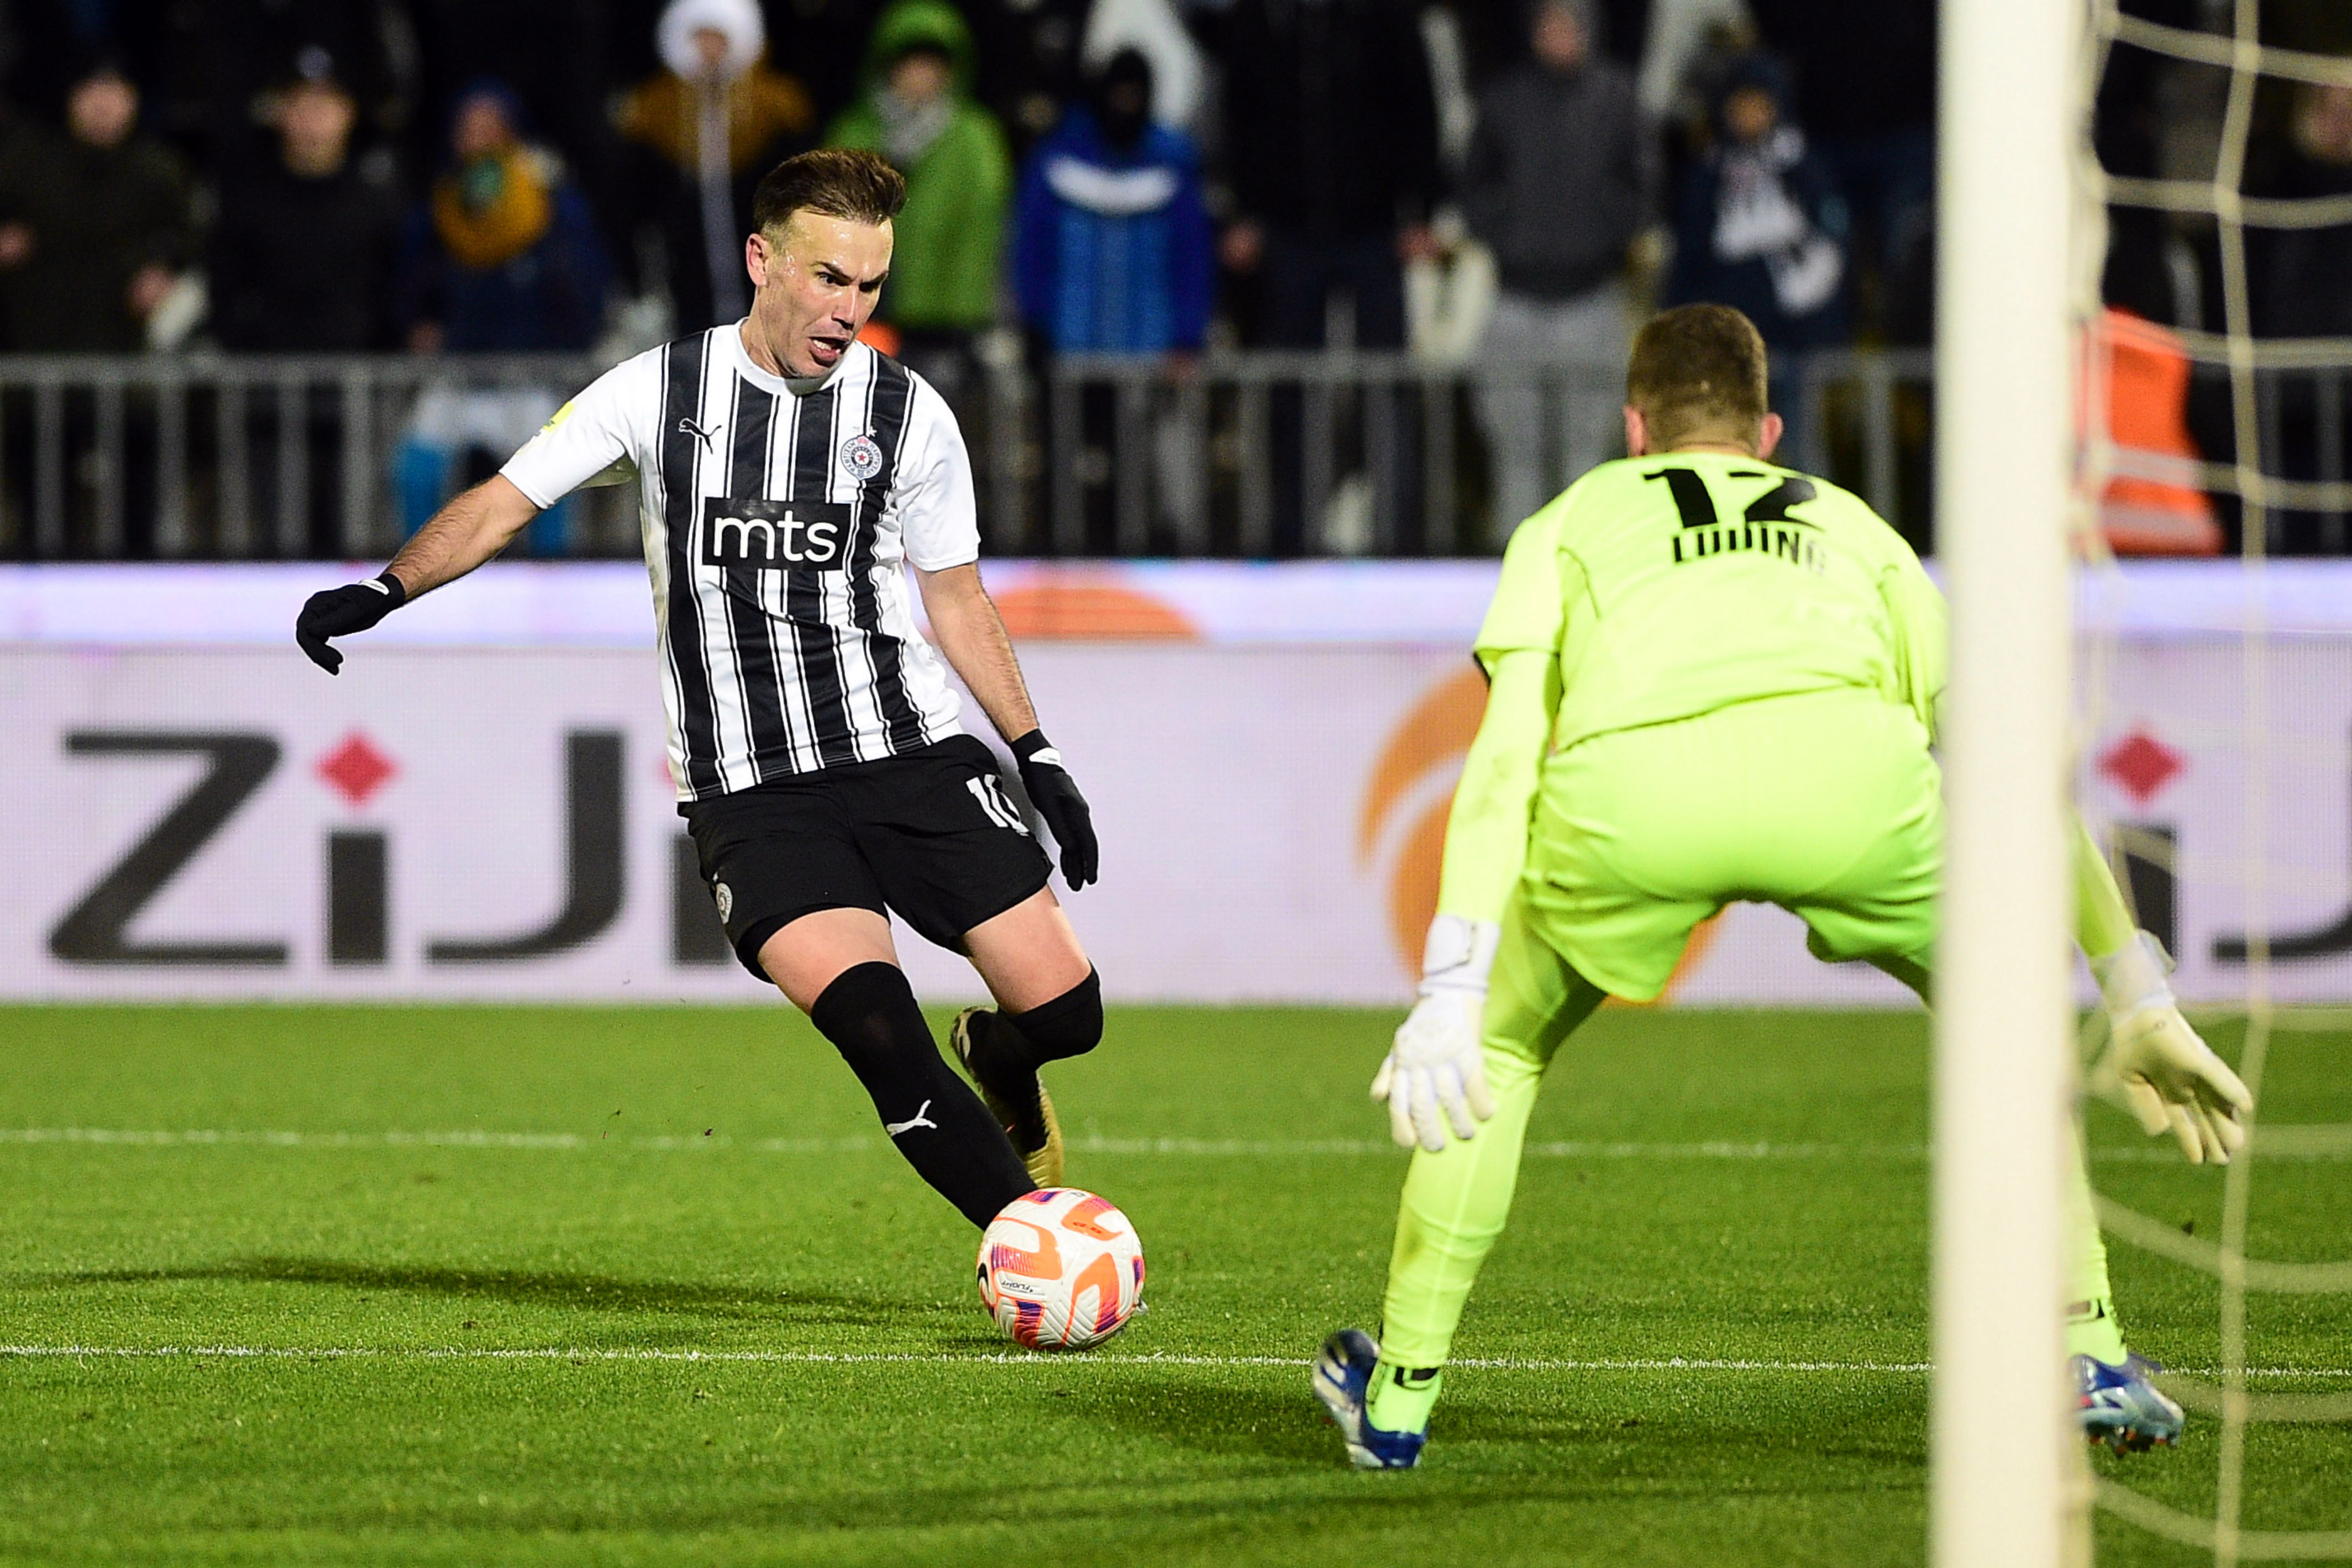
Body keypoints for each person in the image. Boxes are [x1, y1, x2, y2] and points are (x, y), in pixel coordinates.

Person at [1311, 303, 2255, 1470]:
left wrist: (1450, 982)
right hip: (1852, 795)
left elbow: (1505, 760)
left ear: (1633, 428)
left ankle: (1397, 1402)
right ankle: (2087, 1350)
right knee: (2008, 1031)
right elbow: (2009, 758)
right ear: (1766, 430)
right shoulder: (1856, 529)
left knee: (1497, 1057)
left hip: (1635, 806)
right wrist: (2135, 993)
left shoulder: (1572, 519)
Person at [296, 149, 1105, 1229]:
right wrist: (388, 587)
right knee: (878, 1035)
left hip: (909, 755)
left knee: (1068, 1011)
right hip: (753, 795)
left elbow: (954, 598)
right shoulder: (657, 391)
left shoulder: (907, 414)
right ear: (761, 259)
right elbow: (503, 499)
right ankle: (1029, 1241)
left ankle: (1005, 1058)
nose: (849, 310)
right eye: (830, 279)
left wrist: (1036, 751)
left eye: (870, 287)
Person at [1215, 0, 1439, 552]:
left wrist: (1422, 211)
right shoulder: (1261, 17)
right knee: (1289, 387)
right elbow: (1237, 112)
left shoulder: (1384, 16)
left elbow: (1418, 106)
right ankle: (1293, 534)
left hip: (1374, 229)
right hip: (1287, 231)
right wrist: (1244, 210)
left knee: (1385, 384)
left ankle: (1395, 534)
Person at [392, 78, 613, 550]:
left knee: (553, 485)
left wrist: (563, 345)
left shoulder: (552, 206)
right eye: (469, 128)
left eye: (492, 127)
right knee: (415, 472)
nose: (480, 139)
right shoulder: (440, 208)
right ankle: (416, 579)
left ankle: (552, 586)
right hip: (457, 376)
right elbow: (411, 284)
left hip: (530, 378)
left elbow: (585, 286)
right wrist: (419, 325)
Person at [1461, 0, 1653, 539]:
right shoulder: (1503, 99)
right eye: (1549, 25)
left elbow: (1643, 187)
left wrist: (1600, 232)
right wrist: (1507, 232)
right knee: (1515, 454)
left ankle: (1583, 566)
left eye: (1570, 25)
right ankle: (1517, 571)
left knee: (1586, 453)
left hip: (1591, 297)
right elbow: (1473, 184)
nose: (1559, 37)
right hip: (1514, 298)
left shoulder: (1617, 99)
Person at [1012, 49, 1214, 546]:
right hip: (1069, 345)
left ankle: (1131, 556)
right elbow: (1029, 245)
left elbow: (1193, 254)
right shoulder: (1057, 157)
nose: (1126, 104)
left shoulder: (1172, 161)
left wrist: (1188, 333)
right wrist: (1032, 321)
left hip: (1146, 351)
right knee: (1064, 460)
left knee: (1136, 466)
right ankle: (1061, 556)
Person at [824, 0, 1012, 412]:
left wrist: (964, 307)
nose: (921, 76)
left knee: (940, 424)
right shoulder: (854, 132)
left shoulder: (975, 139)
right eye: (910, 62)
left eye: (933, 64)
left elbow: (982, 226)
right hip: (866, 310)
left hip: (946, 319)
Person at [1663, 51, 1846, 462]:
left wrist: (1820, 324)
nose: (1749, 116)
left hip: (1796, 340)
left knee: (1801, 446)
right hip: (1728, 345)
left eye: (1758, 105)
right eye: (1739, 106)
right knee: (1728, 448)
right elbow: (1691, 254)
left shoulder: (1801, 165)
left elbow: (1831, 246)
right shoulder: (1708, 173)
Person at [616, 0, 817, 335]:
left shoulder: (775, 107)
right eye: (701, 38)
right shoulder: (656, 109)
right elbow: (637, 198)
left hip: (757, 261)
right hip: (684, 269)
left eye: (719, 38)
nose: (710, 50)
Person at [211, 49, 401, 352]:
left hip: (357, 377)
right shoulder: (250, 200)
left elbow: (394, 292)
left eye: (323, 105)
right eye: (300, 105)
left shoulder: (377, 202)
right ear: (280, 114)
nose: (312, 120)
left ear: (347, 112)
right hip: (269, 377)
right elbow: (226, 287)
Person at [0, 61, 195, 352]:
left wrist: (165, 271)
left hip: (126, 348)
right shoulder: (27, 164)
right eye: (91, 91)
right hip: (35, 344)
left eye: (114, 92)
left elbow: (191, 238)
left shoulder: (159, 170)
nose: (103, 104)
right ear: (71, 97)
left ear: (134, 100)